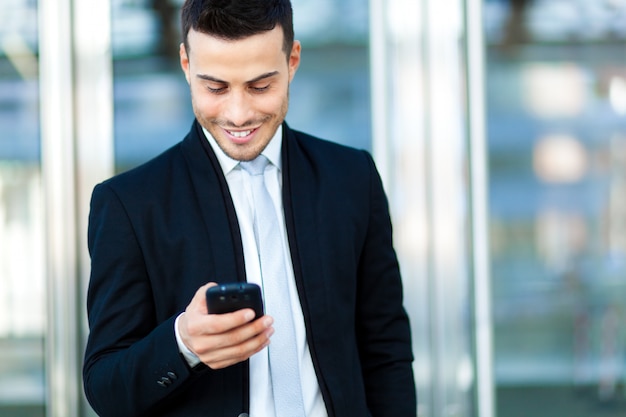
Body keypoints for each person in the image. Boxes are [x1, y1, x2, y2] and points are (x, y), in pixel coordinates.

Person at [82, 0, 416, 416]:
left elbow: (386, 350)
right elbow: (104, 387)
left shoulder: (352, 179)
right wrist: (182, 344)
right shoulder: (129, 204)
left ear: (292, 60)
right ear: (186, 64)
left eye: (260, 86)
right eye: (215, 87)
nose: (238, 115)